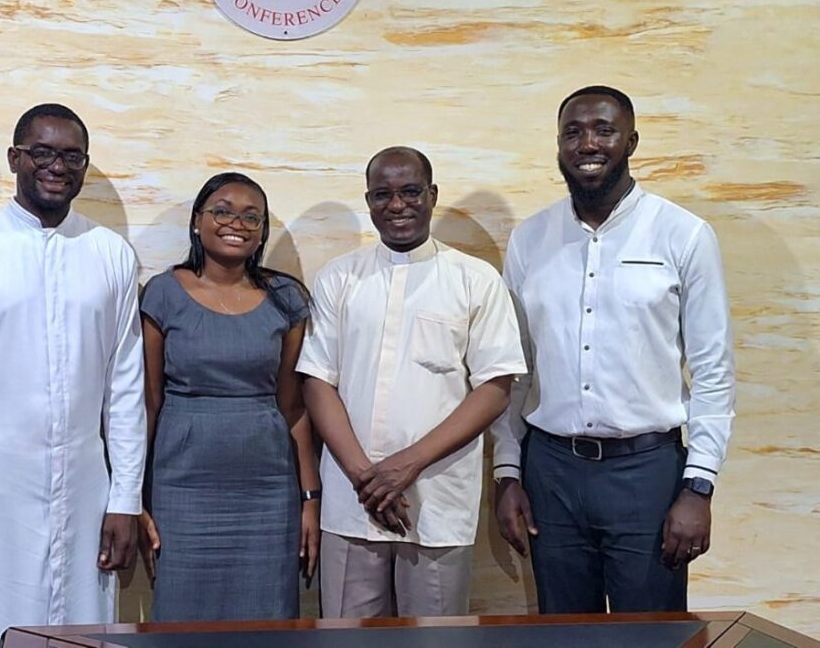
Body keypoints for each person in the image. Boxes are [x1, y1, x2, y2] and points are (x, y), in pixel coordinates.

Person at [491, 85, 736, 613]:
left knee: (652, 633)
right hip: (551, 473)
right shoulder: (530, 239)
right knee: (564, 633)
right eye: (573, 132)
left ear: (631, 142)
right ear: (559, 144)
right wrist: (507, 472)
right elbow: (517, 370)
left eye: (604, 130)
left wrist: (699, 486)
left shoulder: (683, 235)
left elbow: (713, 371)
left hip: (646, 474)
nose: (587, 144)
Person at [0, 103, 145, 646]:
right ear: (14, 158)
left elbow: (125, 390)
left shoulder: (111, 254)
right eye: (42, 153)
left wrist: (125, 499)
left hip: (86, 492)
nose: (57, 167)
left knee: (78, 631)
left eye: (72, 156)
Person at [297, 147, 526, 618]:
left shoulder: (475, 279)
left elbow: (495, 388)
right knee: (345, 635)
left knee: (435, 638)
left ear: (432, 195)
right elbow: (318, 382)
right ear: (368, 200)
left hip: (437, 498)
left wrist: (405, 465)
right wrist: (367, 478)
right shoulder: (339, 277)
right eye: (382, 195)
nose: (397, 205)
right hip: (352, 500)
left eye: (410, 192)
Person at [138, 172, 320, 621]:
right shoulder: (163, 293)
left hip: (268, 492)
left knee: (267, 619)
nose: (236, 223)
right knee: (181, 618)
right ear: (197, 221)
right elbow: (148, 403)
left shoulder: (285, 298)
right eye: (222, 211)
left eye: (251, 216)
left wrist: (310, 498)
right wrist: (133, 498)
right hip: (181, 488)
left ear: (262, 232)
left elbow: (293, 406)